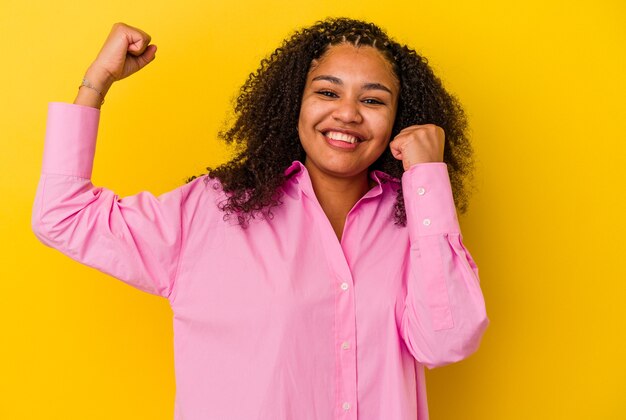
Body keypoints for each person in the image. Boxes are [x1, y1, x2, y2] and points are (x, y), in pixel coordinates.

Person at [32, 18, 488, 420]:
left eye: (373, 100)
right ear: (295, 103)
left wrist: (428, 178)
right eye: (327, 92)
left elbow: (446, 343)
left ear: (398, 120)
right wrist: (97, 81)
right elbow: (63, 215)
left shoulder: (417, 221)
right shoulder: (211, 211)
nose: (347, 113)